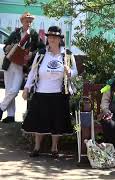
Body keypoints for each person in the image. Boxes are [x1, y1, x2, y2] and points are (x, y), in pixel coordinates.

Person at [21, 26, 78, 158]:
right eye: (50, 37)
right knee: (38, 121)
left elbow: (75, 72)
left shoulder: (67, 54)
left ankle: (54, 148)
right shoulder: (41, 53)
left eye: (55, 37)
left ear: (60, 39)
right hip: (41, 92)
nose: (52, 39)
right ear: (47, 39)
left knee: (56, 122)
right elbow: (33, 72)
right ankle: (36, 147)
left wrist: (69, 72)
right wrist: (26, 88)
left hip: (59, 93)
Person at [0, 12, 43, 123]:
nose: (28, 23)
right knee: (9, 90)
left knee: (14, 90)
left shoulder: (33, 34)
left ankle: (0, 108)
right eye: (26, 21)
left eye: (30, 21)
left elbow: (42, 48)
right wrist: (7, 48)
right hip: (9, 63)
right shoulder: (15, 33)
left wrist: (32, 54)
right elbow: (5, 47)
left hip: (21, 66)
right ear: (22, 21)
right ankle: (10, 116)